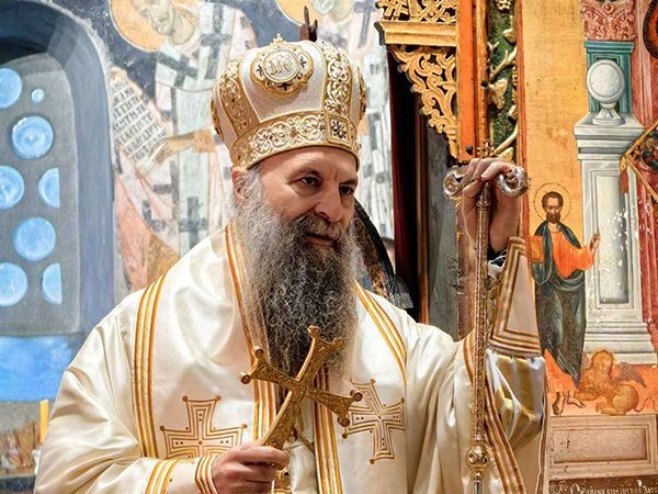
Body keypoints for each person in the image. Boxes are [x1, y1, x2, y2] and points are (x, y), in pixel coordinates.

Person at [35, 38, 545, 493]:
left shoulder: (395, 343)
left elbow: (499, 420)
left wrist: (495, 252)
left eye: (346, 188)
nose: (334, 210)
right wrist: (199, 480)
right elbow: (71, 481)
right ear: (243, 188)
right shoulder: (138, 339)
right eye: (309, 182)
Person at [531, 191, 600, 414]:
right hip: (550, 294)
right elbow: (537, 270)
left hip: (570, 295)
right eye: (549, 207)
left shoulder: (567, 233)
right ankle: (559, 395)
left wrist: (591, 247)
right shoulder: (539, 235)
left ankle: (570, 395)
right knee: (556, 336)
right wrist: (542, 265)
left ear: (561, 208)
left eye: (556, 207)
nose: (553, 211)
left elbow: (578, 259)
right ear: (544, 209)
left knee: (573, 335)